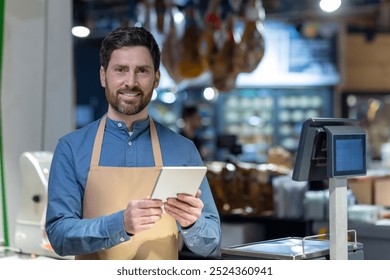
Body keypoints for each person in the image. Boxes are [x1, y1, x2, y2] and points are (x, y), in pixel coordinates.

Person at [45, 26, 221, 260]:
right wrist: (121, 225)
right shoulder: (71, 148)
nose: (131, 82)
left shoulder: (183, 150)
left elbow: (212, 244)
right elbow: (59, 237)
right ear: (102, 76)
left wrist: (192, 225)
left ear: (156, 78)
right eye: (120, 70)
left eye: (142, 71)